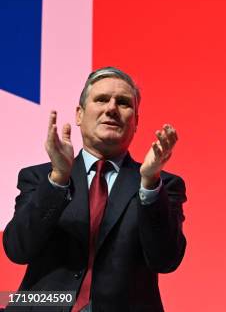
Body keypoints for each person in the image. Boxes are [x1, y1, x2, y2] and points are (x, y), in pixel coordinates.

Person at [3, 67, 187, 312]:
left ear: (136, 122)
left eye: (123, 103)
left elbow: (166, 260)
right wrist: (58, 178)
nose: (111, 108)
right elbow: (18, 249)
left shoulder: (162, 184)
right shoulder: (38, 177)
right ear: (79, 115)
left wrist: (150, 183)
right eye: (101, 99)